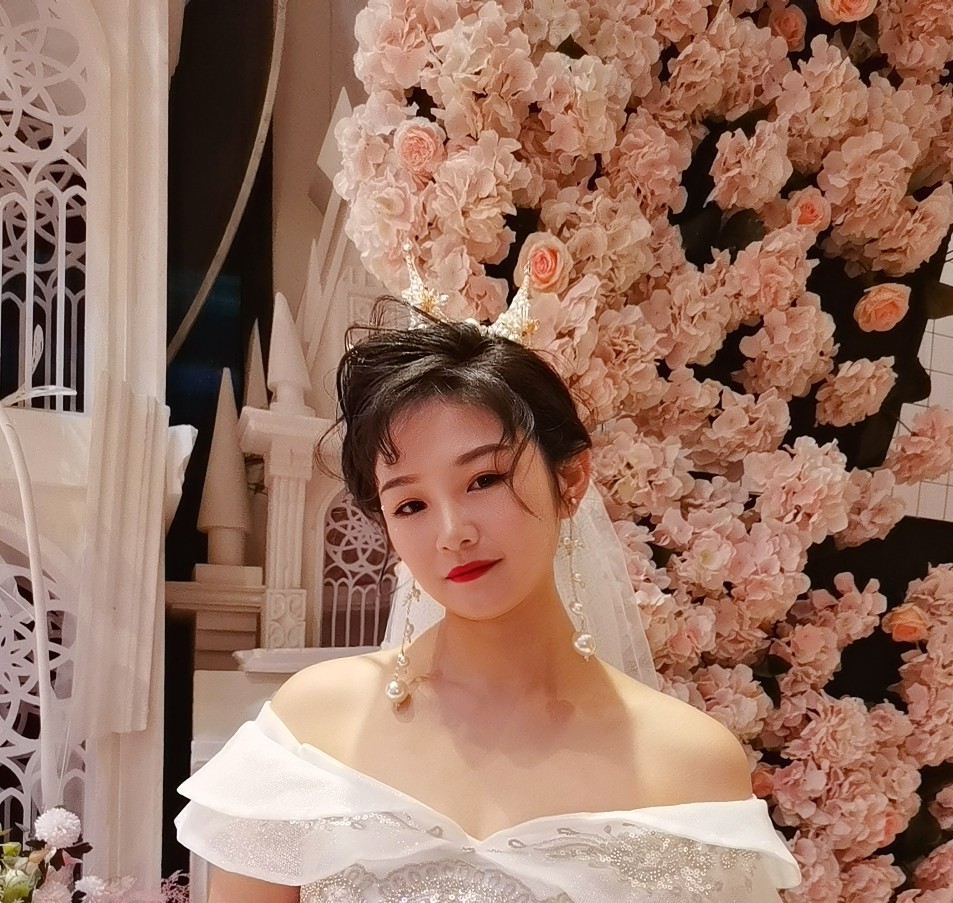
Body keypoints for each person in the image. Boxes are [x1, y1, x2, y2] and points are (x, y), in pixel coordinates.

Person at [175, 299, 801, 903]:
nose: (452, 533)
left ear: (570, 479)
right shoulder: (313, 726)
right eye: (410, 505)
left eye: (484, 479)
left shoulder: (691, 765)